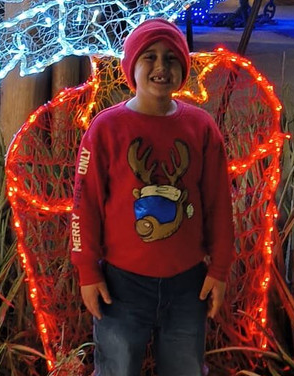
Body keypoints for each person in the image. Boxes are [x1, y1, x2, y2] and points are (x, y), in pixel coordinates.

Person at [71, 19, 235, 376]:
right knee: (117, 368)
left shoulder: (201, 127)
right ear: (132, 67)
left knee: (185, 367)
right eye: (149, 57)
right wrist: (87, 270)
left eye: (171, 58)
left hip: (188, 283)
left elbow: (219, 203)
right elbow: (85, 206)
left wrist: (219, 268)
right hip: (120, 286)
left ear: (182, 69)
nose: (161, 67)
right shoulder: (105, 129)